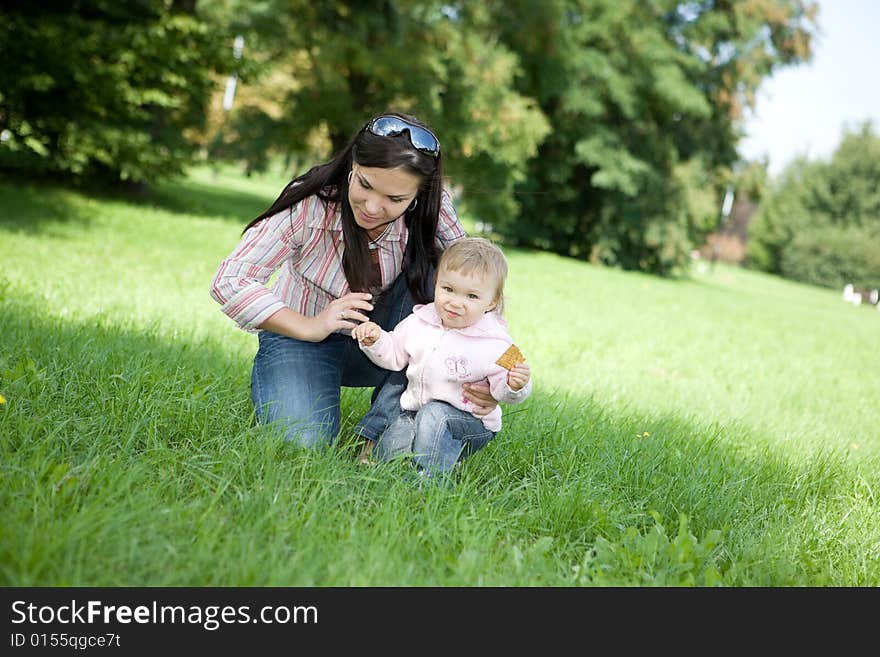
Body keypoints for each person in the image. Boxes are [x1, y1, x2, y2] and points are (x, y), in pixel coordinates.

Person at [210, 111, 500, 453]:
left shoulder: (432, 209)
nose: (373, 207)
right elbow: (230, 280)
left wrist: (488, 370)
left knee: (451, 272)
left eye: (395, 199)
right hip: (303, 339)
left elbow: (481, 284)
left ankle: (386, 430)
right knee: (301, 446)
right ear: (352, 165)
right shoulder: (309, 204)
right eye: (364, 184)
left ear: (417, 196)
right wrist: (311, 326)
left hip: (390, 343)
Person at [351, 237, 532, 479]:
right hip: (416, 412)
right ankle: (442, 457)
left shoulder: (500, 343)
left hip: (468, 424)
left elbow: (512, 386)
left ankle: (431, 481)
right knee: (387, 457)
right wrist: (375, 340)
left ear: (492, 302)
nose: (456, 303)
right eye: (448, 290)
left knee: (434, 414)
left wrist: (515, 384)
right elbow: (394, 354)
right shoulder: (420, 320)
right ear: (436, 284)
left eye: (471, 296)